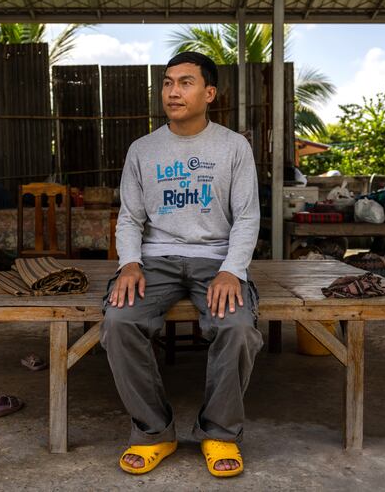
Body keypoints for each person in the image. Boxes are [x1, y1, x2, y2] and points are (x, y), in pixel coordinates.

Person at [100, 51, 263, 478]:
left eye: (186, 82)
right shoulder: (143, 149)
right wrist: (130, 264)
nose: (173, 91)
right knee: (119, 321)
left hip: (216, 259)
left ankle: (220, 433)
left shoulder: (234, 146)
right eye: (168, 82)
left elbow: (247, 217)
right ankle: (154, 432)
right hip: (155, 259)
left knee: (237, 327)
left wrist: (232, 270)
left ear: (209, 93)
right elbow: (129, 218)